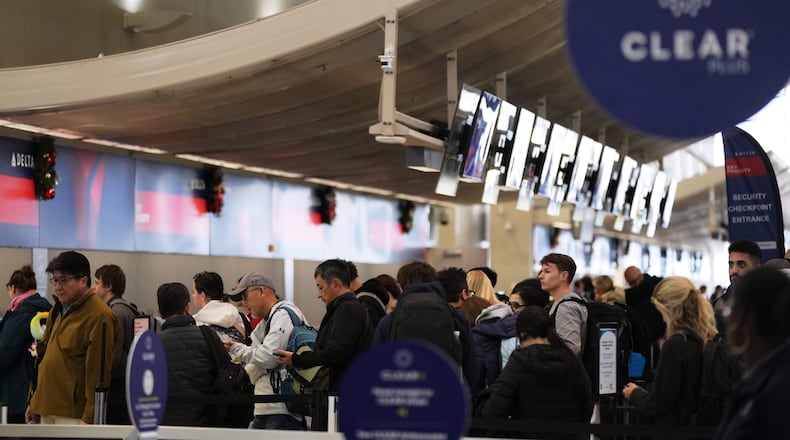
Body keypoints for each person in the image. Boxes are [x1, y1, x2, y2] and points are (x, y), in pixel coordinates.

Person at [27, 251, 119, 425]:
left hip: (73, 414)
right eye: (55, 280)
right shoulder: (58, 310)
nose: (58, 286)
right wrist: (35, 400)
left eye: (63, 280)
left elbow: (98, 372)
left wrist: (90, 417)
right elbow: (43, 356)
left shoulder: (100, 316)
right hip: (46, 406)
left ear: (83, 280)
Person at [481, 306, 593, 439]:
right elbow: (586, 405)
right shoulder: (570, 359)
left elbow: (494, 409)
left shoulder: (520, 361)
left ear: (522, 333)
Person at [622, 277, 718, 429]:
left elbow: (659, 403)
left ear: (671, 309)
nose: (662, 318)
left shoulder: (675, 345)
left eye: (661, 311)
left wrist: (634, 393)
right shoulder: (705, 337)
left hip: (675, 429)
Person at [376, 261, 481, 393]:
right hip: (445, 397)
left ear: (402, 287)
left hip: (405, 398)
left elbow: (377, 368)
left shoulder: (389, 321)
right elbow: (471, 369)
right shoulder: (456, 317)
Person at [225, 272, 308, 430]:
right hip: (265, 407)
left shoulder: (284, 314)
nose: (243, 303)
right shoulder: (265, 322)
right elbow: (253, 367)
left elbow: (268, 358)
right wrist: (258, 361)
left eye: (245, 296)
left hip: (282, 409)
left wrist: (236, 348)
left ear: (261, 291)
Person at [715, 267, 790, 439]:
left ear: (746, 318)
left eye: (730, 312)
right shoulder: (764, 374)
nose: (729, 322)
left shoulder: (780, 388)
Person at [276, 259, 372, 392]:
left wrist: (298, 360)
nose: (318, 294)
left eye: (320, 287)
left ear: (336, 285)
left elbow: (336, 352)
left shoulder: (348, 309)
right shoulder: (343, 308)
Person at [156, 282, 217, 426]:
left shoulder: (153, 344)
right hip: (204, 422)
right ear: (188, 307)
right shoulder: (208, 335)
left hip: (165, 425)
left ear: (160, 312)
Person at [0, 265, 51, 423]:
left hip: (17, 396)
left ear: (13, 288)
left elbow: (3, 354)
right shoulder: (46, 310)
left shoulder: (21, 315)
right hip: (39, 391)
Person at [93, 264, 136, 424]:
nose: (93, 287)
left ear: (108, 286)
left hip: (117, 388)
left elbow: (113, 356)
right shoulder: (126, 309)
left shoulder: (114, 312)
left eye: (97, 283)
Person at [540, 253, 587, 356]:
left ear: (563, 275)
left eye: (547, 271)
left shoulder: (566, 307)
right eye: (541, 271)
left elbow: (571, 348)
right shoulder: (570, 301)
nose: (541, 276)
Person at [192, 271, 246, 343]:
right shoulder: (241, 317)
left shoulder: (195, 324)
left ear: (202, 295)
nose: (192, 296)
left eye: (193, 292)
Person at [624, 265, 666, 349]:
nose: (632, 285)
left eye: (632, 283)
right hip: (652, 334)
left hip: (653, 334)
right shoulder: (659, 284)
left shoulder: (656, 285)